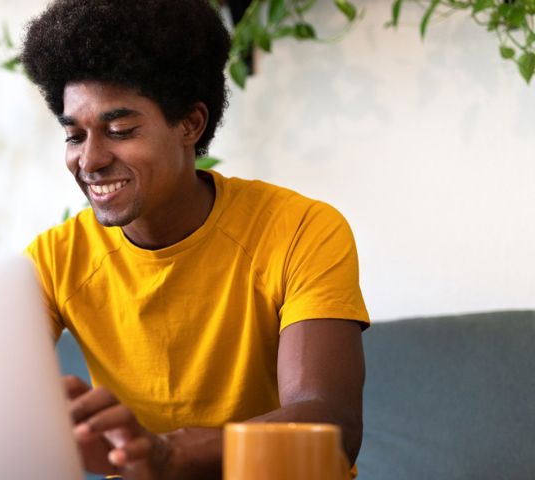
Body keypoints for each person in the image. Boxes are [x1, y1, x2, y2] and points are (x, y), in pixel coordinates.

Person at [20, 0, 370, 478]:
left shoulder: (299, 229)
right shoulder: (53, 260)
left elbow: (332, 432)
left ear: (190, 124)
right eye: (74, 136)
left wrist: (172, 454)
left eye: (119, 130)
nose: (91, 160)